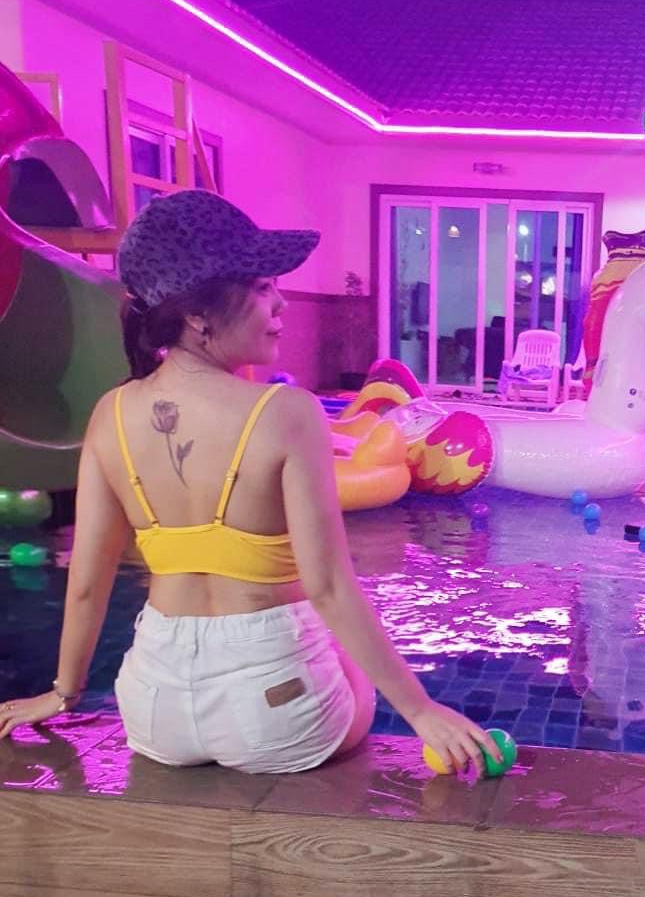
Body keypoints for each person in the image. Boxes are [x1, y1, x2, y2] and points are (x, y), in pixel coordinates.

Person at [0, 190, 499, 775]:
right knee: (343, 652)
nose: (282, 302)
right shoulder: (287, 412)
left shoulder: (109, 414)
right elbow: (329, 586)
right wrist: (421, 710)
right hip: (275, 712)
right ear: (198, 315)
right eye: (262, 287)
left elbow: (87, 581)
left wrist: (62, 694)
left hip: (154, 707)